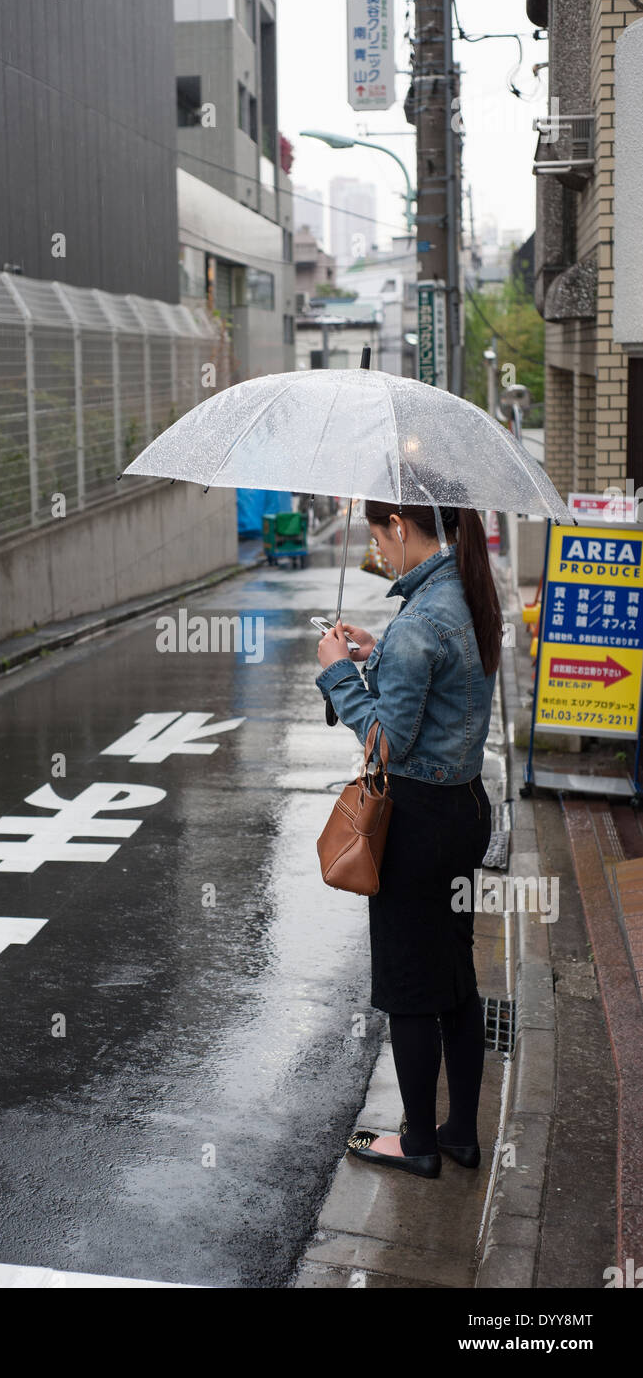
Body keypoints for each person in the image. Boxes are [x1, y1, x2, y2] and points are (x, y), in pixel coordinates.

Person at [315, 501, 503, 1180]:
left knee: (408, 989)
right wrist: (375, 650)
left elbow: (384, 742)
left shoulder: (420, 619)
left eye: (376, 538)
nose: (378, 554)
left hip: (415, 823)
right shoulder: (467, 593)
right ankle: (459, 1133)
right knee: (453, 981)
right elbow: (437, 690)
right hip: (463, 810)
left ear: (399, 526)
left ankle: (417, 1142)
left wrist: (339, 670)